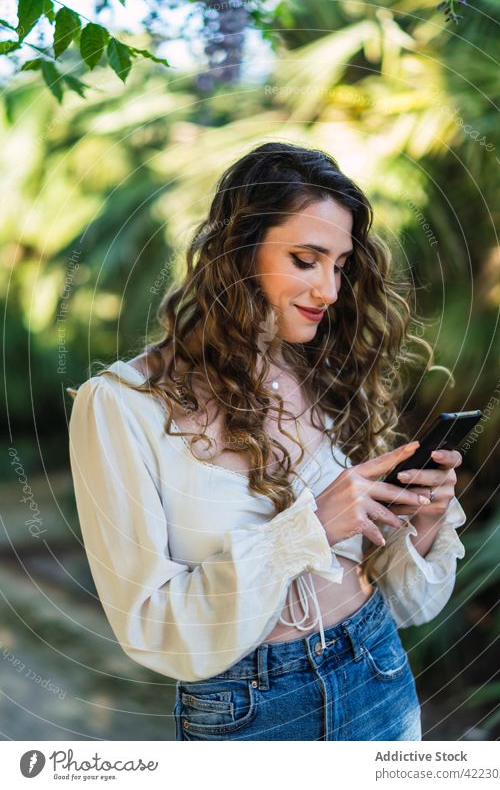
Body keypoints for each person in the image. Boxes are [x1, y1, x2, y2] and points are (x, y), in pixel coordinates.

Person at [68, 141, 466, 741]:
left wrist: (424, 519)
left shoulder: (325, 373)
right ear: (238, 252)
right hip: (248, 713)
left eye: (340, 265)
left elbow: (410, 606)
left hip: (377, 671)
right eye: (307, 259)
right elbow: (149, 625)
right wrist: (311, 529)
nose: (330, 290)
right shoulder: (123, 406)